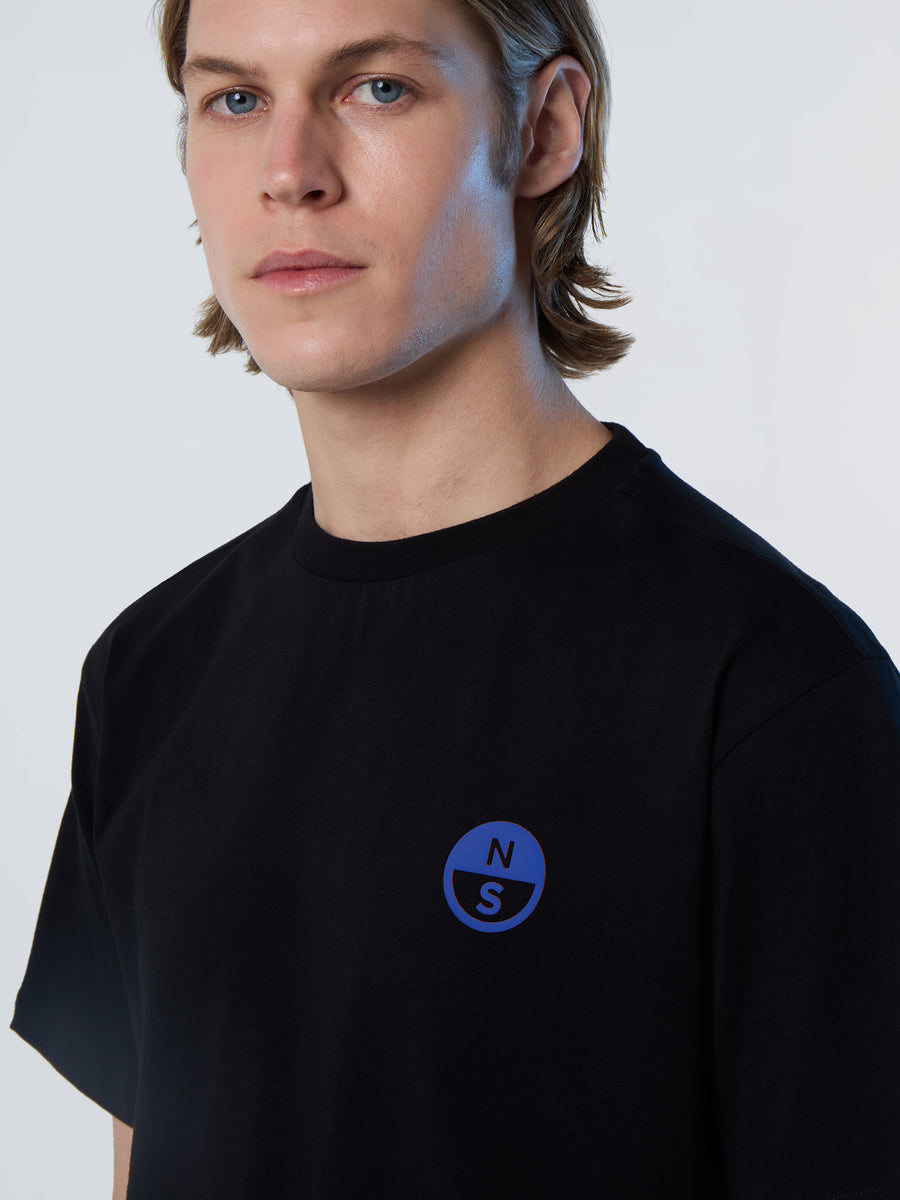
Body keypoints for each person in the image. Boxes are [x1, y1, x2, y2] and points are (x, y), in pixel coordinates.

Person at [9, 0, 900, 1196]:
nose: (289, 172)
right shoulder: (149, 673)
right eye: (235, 99)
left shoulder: (769, 692)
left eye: (376, 87)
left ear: (543, 130)